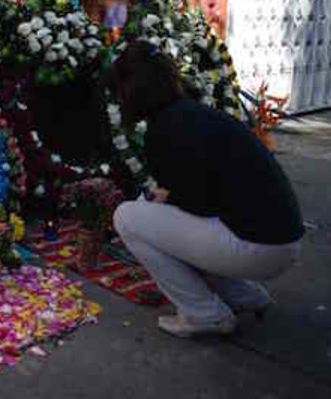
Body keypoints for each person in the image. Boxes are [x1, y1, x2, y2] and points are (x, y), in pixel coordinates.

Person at [110, 41, 305, 338]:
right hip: (283, 241)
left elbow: (195, 205)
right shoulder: (193, 113)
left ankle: (204, 314)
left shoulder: (164, 129)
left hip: (256, 247)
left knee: (127, 217)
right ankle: (243, 295)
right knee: (157, 214)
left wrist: (165, 198)